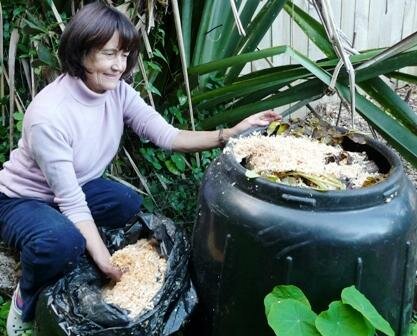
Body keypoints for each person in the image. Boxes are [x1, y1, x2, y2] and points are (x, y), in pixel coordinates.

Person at [0, 2, 279, 335]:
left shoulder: (117, 91)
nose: (119, 66)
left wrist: (227, 135)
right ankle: (25, 300)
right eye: (109, 54)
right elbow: (71, 201)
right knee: (62, 243)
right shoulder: (50, 116)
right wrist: (106, 262)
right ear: (81, 51)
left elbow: (166, 135)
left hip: (76, 187)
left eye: (124, 55)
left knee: (126, 204)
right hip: (21, 199)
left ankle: (72, 247)